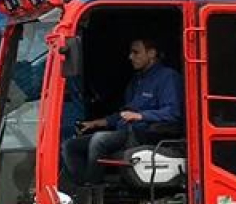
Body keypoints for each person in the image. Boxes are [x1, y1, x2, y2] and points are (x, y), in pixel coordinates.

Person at [62, 37, 183, 192]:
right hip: (124, 132)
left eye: (136, 52)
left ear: (151, 53)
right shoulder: (136, 80)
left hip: (145, 134)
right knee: (70, 146)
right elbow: (123, 113)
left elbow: (173, 113)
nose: (130, 57)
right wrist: (95, 123)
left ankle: (93, 191)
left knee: (100, 140)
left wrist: (141, 116)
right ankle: (80, 189)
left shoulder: (168, 77)